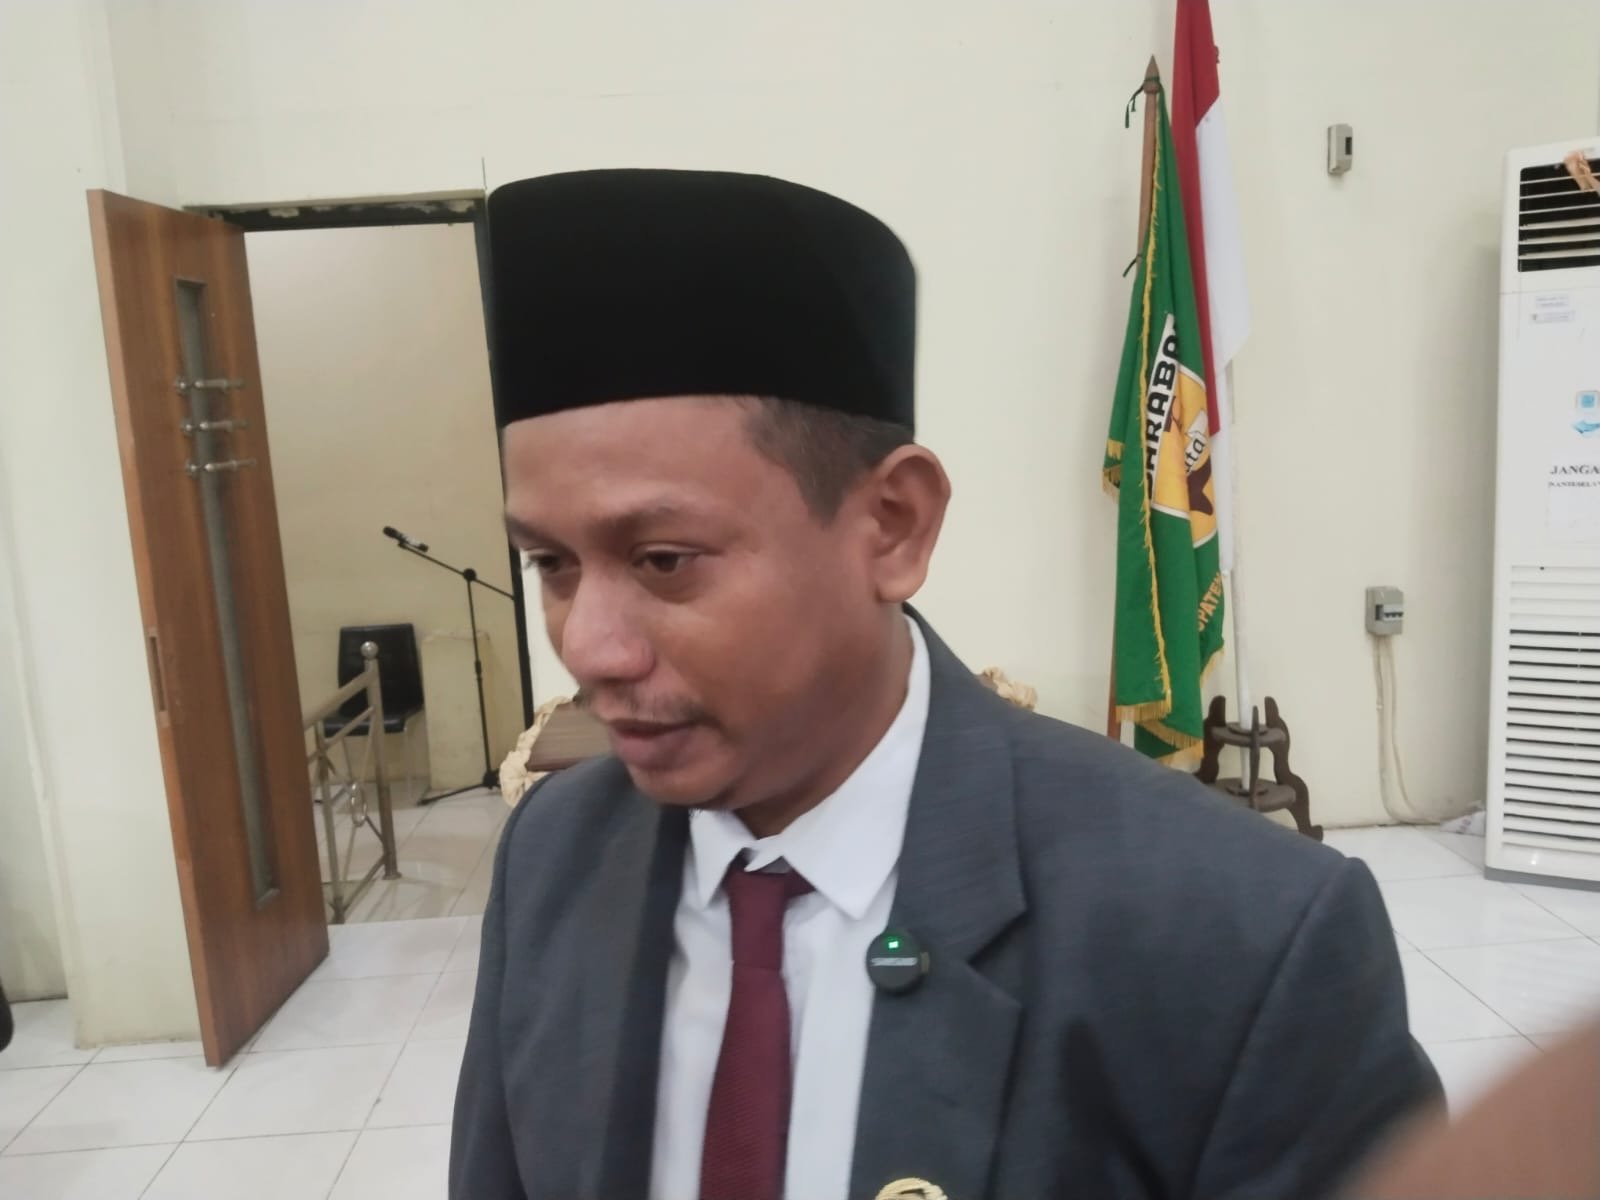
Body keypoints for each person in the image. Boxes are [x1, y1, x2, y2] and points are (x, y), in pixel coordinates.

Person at [450, 168, 1440, 1200]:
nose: (589, 647)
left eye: (663, 561)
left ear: (894, 526)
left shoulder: (1235, 935)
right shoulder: (557, 856)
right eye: (551, 564)